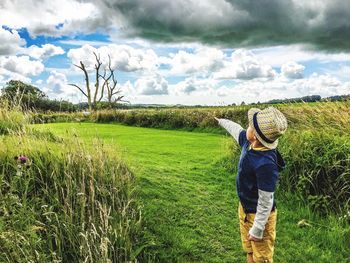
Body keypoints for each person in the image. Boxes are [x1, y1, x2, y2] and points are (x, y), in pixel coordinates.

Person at [215, 107, 287, 263]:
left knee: (262, 258)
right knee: (249, 250)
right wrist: (221, 121)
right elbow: (236, 129)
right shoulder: (247, 143)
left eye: (250, 126)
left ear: (254, 135)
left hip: (260, 217)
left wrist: (258, 227)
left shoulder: (266, 164)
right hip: (245, 210)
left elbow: (266, 200)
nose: (246, 128)